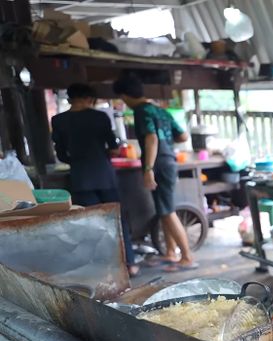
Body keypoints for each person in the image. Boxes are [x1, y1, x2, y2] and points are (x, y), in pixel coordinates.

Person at [51, 83, 140, 277]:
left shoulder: (58, 120)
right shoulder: (99, 117)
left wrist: (76, 159)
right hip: (104, 175)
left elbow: (61, 154)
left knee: (92, 223)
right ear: (89, 99)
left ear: (69, 98)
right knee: (116, 219)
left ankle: (104, 268)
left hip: (81, 178)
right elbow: (114, 148)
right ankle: (130, 263)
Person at [112, 74, 198, 272]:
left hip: (158, 163)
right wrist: (166, 143)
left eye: (122, 98)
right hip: (168, 161)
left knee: (167, 211)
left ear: (126, 95)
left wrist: (148, 169)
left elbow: (151, 138)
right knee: (163, 209)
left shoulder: (142, 111)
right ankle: (170, 252)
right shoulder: (160, 110)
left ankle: (187, 257)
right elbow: (183, 135)